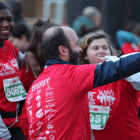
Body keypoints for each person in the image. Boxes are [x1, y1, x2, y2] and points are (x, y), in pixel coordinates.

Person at [26, 25, 140, 140]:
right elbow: (119, 67)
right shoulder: (71, 75)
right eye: (76, 44)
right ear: (63, 50)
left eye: (104, 47)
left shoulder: (36, 85)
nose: (80, 49)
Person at [79, 32, 140, 140]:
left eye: (105, 47)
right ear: (85, 55)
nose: (101, 51)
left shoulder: (125, 74)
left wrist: (115, 63)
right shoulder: (79, 78)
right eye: (95, 48)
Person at [0, 2, 41, 140]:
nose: (6, 24)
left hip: (13, 123)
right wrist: (5, 135)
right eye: (0, 20)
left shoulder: (8, 45)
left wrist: (30, 54)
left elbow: (21, 60)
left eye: (9, 19)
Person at [19, 19, 58, 139]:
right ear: (38, 44)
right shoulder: (28, 69)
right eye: (48, 43)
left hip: (57, 130)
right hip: (29, 131)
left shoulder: (67, 66)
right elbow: (17, 101)